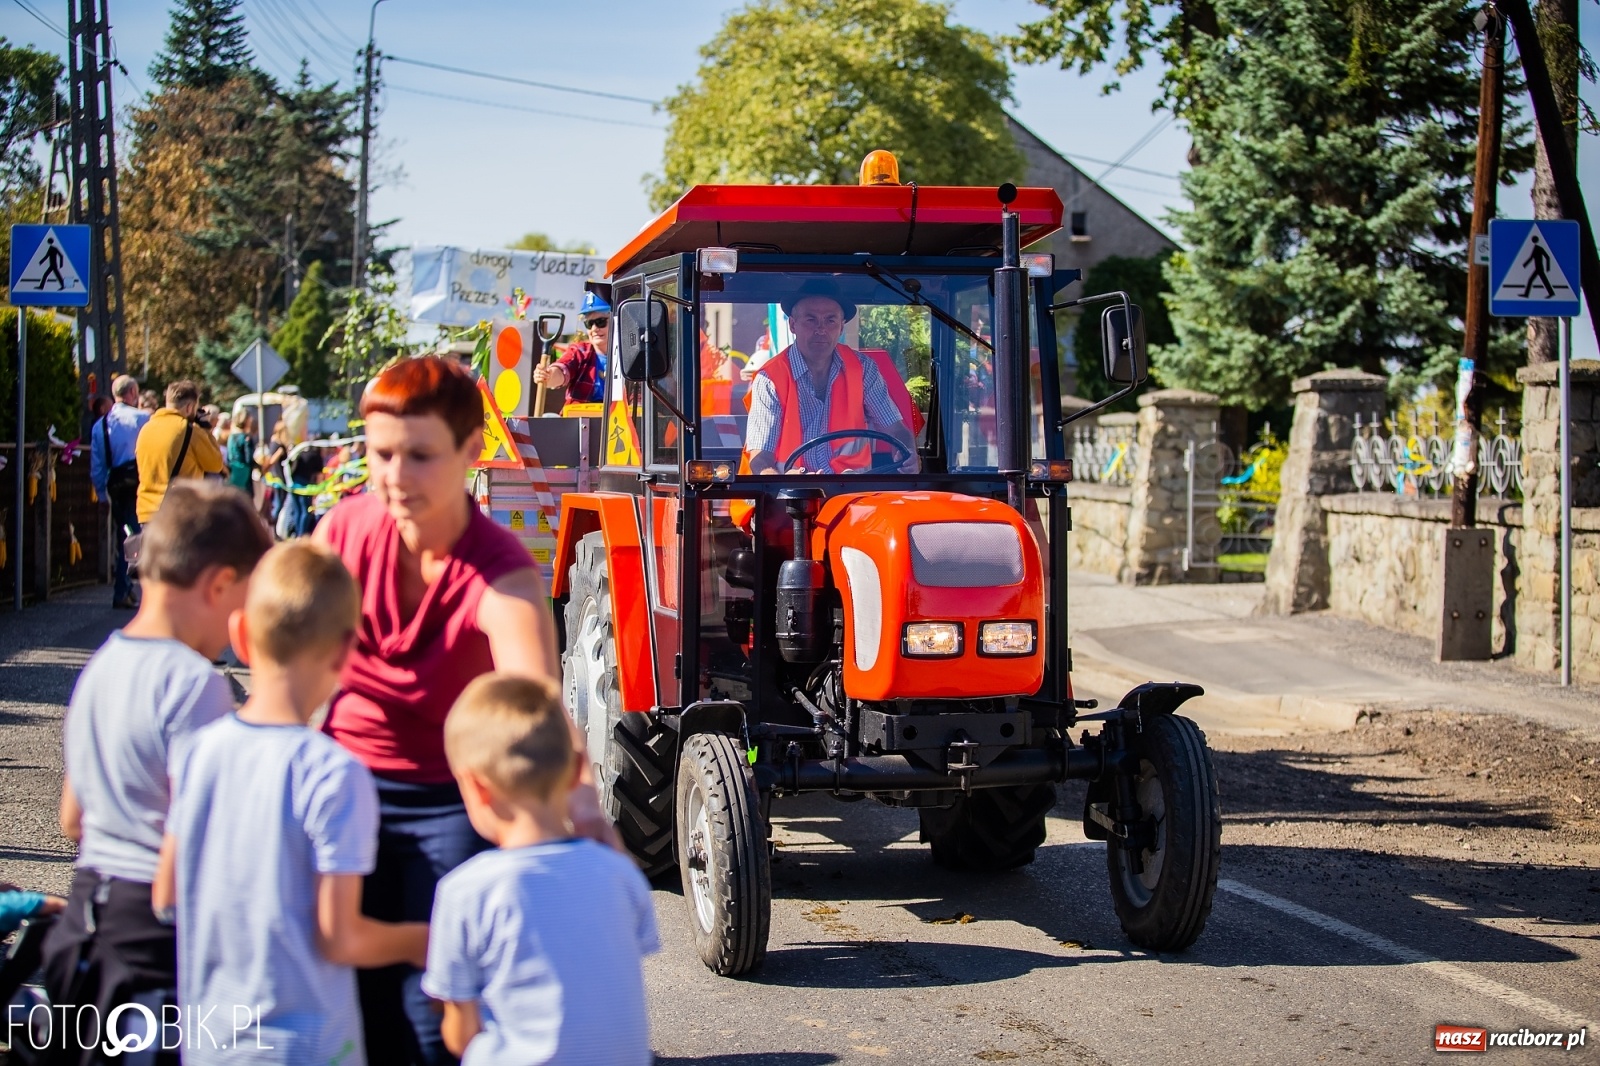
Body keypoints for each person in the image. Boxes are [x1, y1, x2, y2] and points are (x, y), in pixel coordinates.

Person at [314, 355, 614, 1066]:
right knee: (346, 1000)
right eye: (380, 453)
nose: (394, 475)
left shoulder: (498, 567)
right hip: (341, 785)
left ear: (471, 452)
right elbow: (287, 655)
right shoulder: (340, 533)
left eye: (420, 456)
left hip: (450, 797)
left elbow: (534, 697)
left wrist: (584, 805)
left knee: (432, 1016)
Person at [154, 541, 430, 1066]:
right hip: (308, 1046)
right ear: (348, 652)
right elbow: (340, 938)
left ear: (240, 636)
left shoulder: (196, 752)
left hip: (210, 1038)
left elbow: (166, 892)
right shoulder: (333, 772)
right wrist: (424, 940)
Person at [41, 482, 273, 1065]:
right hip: (157, 936)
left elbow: (73, 817)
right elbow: (203, 841)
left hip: (89, 916)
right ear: (219, 584)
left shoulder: (101, 664)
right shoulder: (196, 685)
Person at [424, 675, 658, 1065]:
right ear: (574, 772)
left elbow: (459, 1033)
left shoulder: (465, 892)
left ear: (477, 789)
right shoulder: (619, 875)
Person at [743, 279, 918, 474]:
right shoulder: (769, 379)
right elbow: (761, 460)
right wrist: (782, 484)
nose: (821, 329)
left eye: (830, 320)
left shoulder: (863, 369)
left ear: (841, 327)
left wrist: (908, 454)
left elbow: (895, 429)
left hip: (853, 494)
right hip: (791, 497)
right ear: (793, 325)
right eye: (811, 319)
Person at [90, 374, 151, 609]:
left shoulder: (101, 425)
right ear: (133, 393)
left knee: (124, 535)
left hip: (115, 483)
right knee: (136, 534)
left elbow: (97, 465)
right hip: (139, 482)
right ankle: (125, 588)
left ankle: (125, 587)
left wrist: (101, 495)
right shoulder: (142, 419)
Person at [134, 380, 226, 524]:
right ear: (189, 407)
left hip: (147, 512)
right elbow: (216, 464)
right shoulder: (190, 431)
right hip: (180, 511)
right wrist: (206, 430)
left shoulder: (147, 428)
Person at [532, 290, 609, 405]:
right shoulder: (580, 351)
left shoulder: (630, 355)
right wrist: (548, 376)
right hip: (580, 421)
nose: (594, 329)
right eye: (589, 323)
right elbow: (563, 369)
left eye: (600, 322)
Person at [228, 410, 258, 494]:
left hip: (233, 472)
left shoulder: (231, 437)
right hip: (244, 474)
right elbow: (249, 459)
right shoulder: (246, 438)